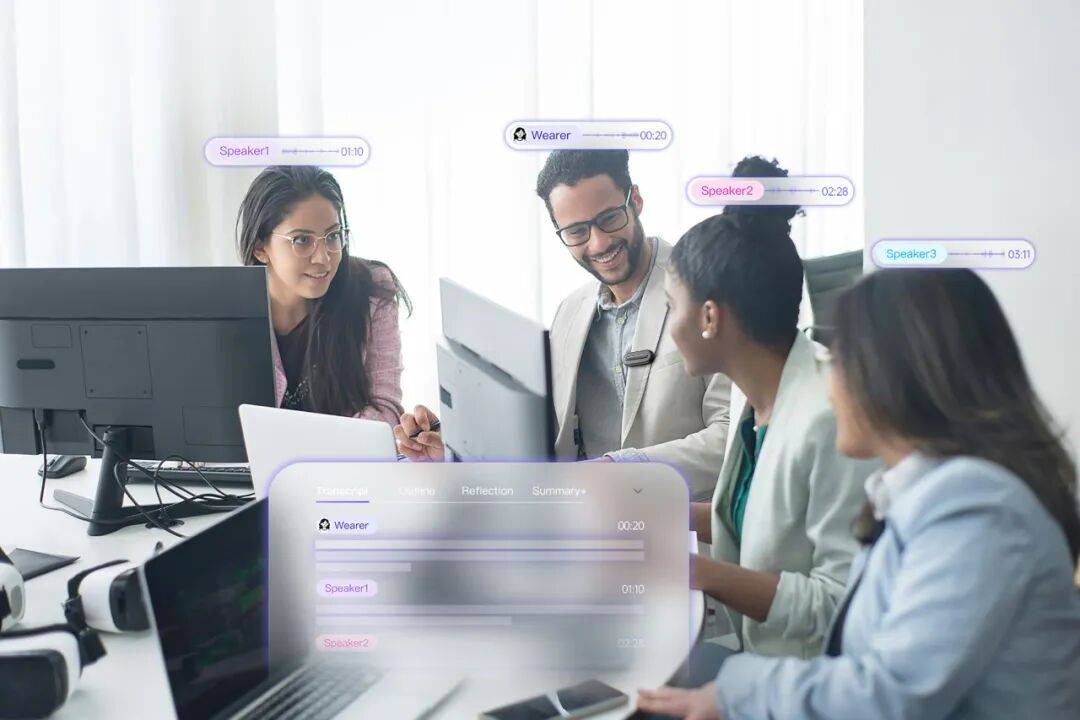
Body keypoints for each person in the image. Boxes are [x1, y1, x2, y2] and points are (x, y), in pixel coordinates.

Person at [638, 269, 1080, 719]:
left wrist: (732, 692)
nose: (828, 386)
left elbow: (887, 697)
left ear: (894, 376)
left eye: (836, 361)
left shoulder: (975, 512)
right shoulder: (927, 494)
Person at [397, 150, 731, 501]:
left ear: (635, 200)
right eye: (577, 231)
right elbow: (544, 442)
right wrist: (452, 447)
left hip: (680, 520)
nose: (599, 243)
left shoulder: (708, 289)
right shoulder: (571, 312)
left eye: (609, 218)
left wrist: (622, 469)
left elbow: (731, 437)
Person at [665, 157, 880, 665]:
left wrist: (695, 573)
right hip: (759, 662)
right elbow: (760, 518)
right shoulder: (760, 392)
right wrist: (653, 516)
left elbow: (840, 602)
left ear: (710, 317)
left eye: (672, 306)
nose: (669, 325)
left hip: (812, 682)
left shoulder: (831, 418)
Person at [236, 165, 409, 423]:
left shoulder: (370, 291)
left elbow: (385, 408)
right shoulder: (230, 309)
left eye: (332, 236)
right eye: (302, 240)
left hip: (347, 450)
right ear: (260, 248)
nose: (324, 258)